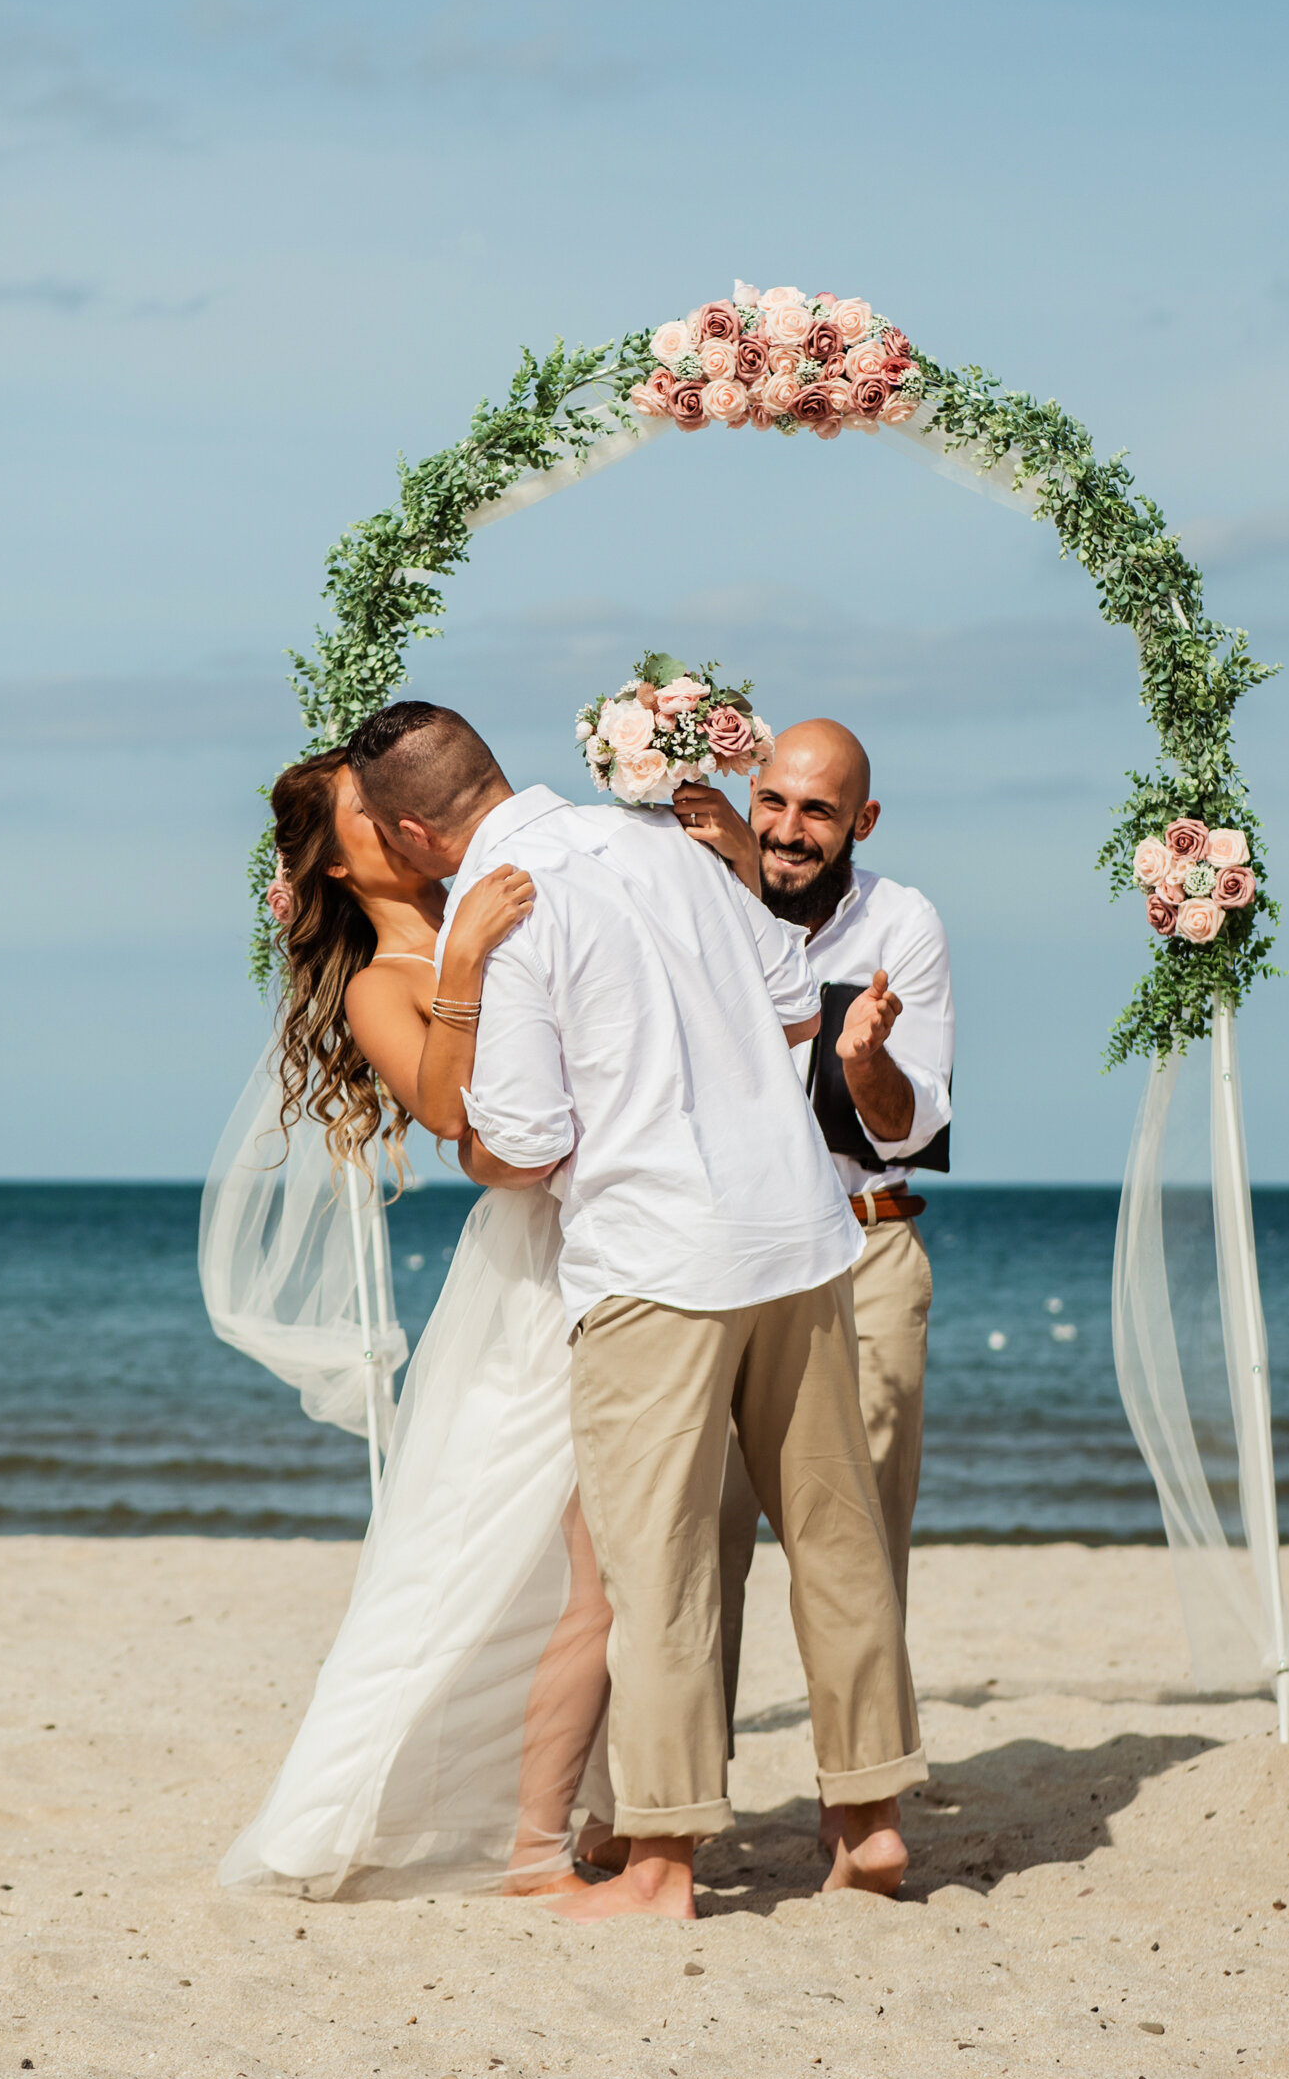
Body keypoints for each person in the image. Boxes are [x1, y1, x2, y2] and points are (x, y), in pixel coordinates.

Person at [347, 699, 928, 1923]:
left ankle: (661, 1861)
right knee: (836, 1542)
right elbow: (791, 1003)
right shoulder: (662, 837)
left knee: (652, 1568)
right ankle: (867, 1819)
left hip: (659, 1264)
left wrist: (487, 1159)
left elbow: (523, 1137)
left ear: (410, 830)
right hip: (803, 1238)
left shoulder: (502, 898)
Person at [214, 746, 617, 1899]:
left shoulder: (493, 875)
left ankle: (590, 1806)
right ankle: (323, 1819)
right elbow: (453, 1118)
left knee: (600, 1546)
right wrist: (473, 956)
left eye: (393, 809)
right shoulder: (382, 977)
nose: (393, 825)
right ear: (337, 863)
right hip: (530, 1262)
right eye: (363, 818)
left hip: (603, 1219)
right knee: (467, 1537)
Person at [674, 720, 953, 1832]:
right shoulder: (693, 900)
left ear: (861, 823)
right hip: (718, 1259)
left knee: (856, 1546)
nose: (791, 831)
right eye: (777, 803)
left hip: (862, 1247)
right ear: (752, 793)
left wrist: (865, 1061)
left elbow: (908, 1128)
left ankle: (862, 1815)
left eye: (820, 812)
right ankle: (679, 1807)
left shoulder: (903, 923)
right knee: (695, 1540)